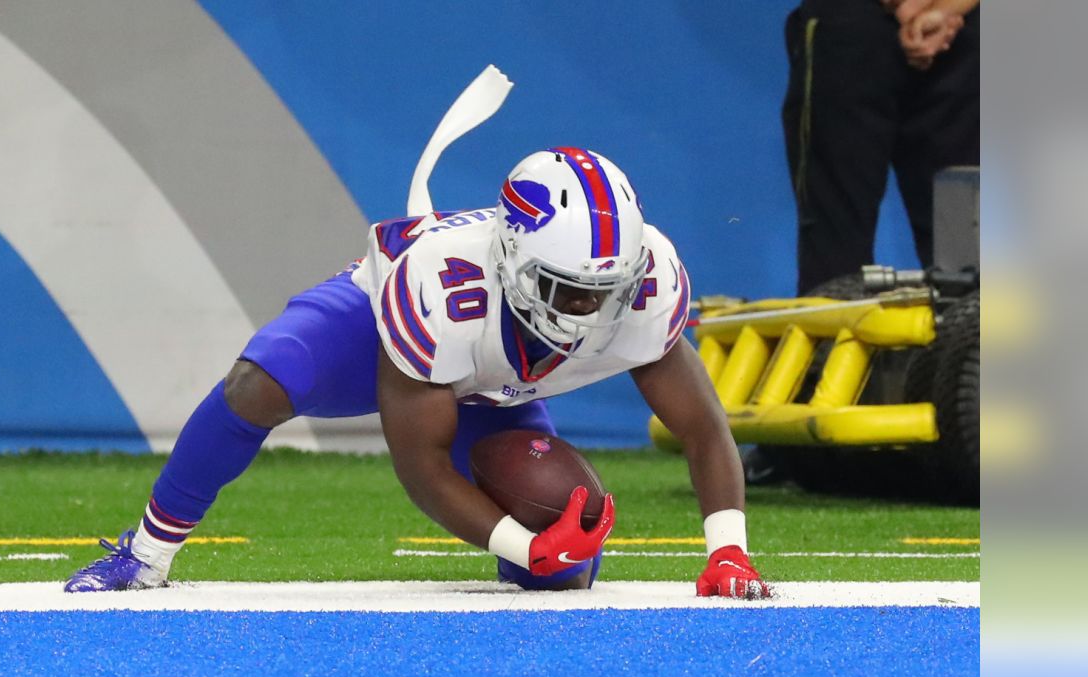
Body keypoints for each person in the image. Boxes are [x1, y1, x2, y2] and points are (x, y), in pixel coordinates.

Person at [65, 147, 769, 598]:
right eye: (573, 287)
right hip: (379, 328)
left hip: (492, 375)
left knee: (561, 573)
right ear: (517, 266)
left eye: (611, 285)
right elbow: (421, 464)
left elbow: (703, 427)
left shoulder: (647, 285)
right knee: (262, 382)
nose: (597, 307)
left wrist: (728, 554)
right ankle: (147, 553)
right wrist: (526, 541)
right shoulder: (442, 288)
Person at [783, 0, 980, 295]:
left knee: (968, 264)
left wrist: (938, 9)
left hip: (945, 33)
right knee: (836, 265)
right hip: (872, 28)